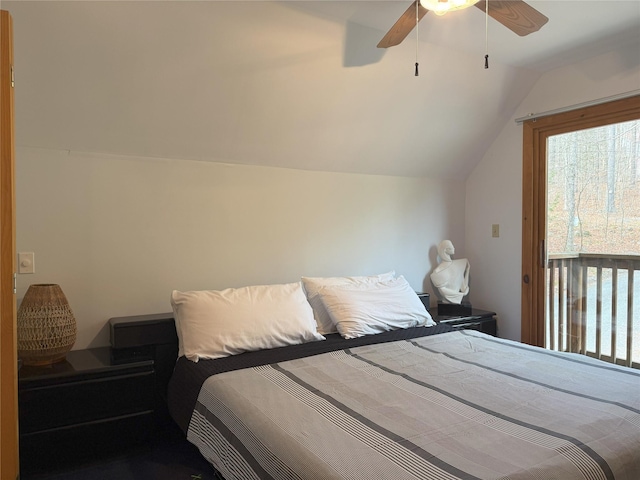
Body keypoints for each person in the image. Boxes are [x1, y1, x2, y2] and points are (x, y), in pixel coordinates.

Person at [430, 240, 470, 304]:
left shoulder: (459, 264)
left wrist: (467, 270)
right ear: (445, 250)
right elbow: (443, 291)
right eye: (451, 247)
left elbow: (463, 286)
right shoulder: (437, 272)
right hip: (446, 302)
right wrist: (461, 294)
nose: (454, 248)